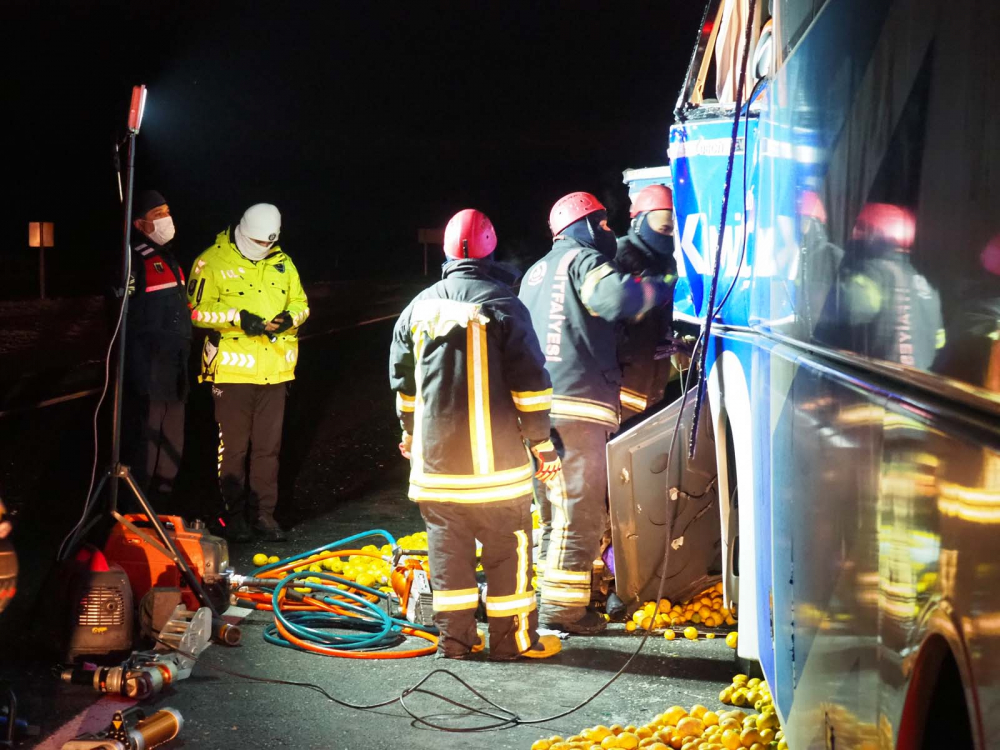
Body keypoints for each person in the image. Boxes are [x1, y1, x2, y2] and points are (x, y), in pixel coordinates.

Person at [389, 208, 562, 660]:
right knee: (509, 553)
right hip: (496, 472)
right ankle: (512, 642)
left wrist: (410, 433)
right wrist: (542, 444)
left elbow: (403, 387)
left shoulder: (416, 309)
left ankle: (456, 643)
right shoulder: (504, 305)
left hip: (437, 472)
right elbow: (531, 386)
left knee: (448, 557)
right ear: (489, 250)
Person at [518, 192, 674, 634]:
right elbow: (617, 300)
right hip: (578, 406)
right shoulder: (584, 262)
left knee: (552, 513)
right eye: (602, 225)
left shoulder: (535, 273)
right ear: (583, 226)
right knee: (580, 513)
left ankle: (547, 601)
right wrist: (668, 288)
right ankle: (564, 611)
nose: (609, 233)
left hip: (539, 411)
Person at [188, 203, 309, 542]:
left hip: (275, 369)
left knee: (268, 449)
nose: (263, 249)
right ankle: (233, 516)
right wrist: (237, 318)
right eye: (257, 243)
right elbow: (195, 311)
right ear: (242, 230)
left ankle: (264, 516)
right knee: (235, 448)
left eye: (268, 243)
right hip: (232, 372)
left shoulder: (282, 262)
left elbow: (301, 303)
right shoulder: (210, 261)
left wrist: (290, 318)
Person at [125, 190, 192, 506]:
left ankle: (164, 499)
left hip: (175, 366)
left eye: (167, 210)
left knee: (172, 438)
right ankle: (139, 505)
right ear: (140, 224)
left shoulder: (168, 257)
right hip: (149, 366)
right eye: (158, 214)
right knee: (147, 440)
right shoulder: (134, 259)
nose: (167, 218)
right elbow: (124, 317)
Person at [615, 184, 678, 421]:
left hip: (653, 380)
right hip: (624, 383)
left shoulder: (666, 262)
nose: (669, 236)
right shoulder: (620, 256)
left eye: (674, 231)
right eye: (664, 228)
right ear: (640, 222)